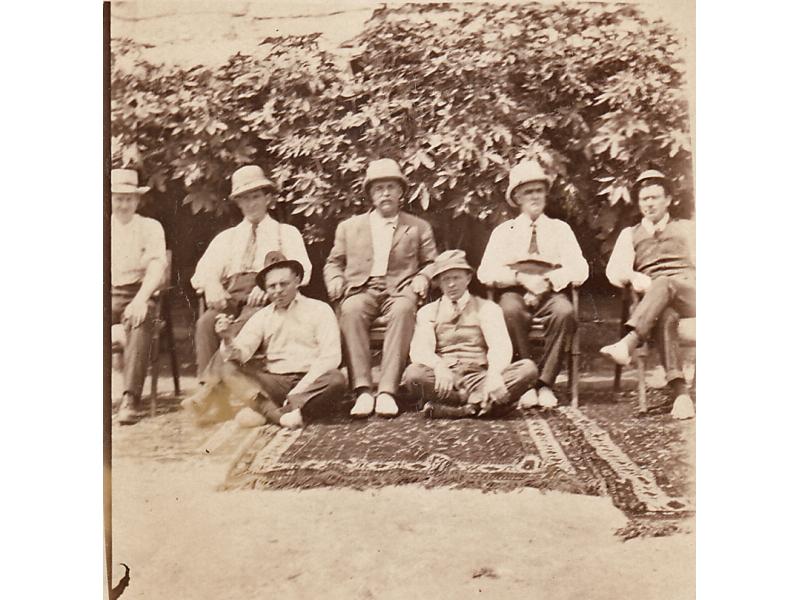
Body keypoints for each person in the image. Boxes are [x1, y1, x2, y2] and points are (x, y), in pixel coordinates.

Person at [324, 158, 439, 419]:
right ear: (371, 195)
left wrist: (424, 276)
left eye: (390, 187)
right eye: (378, 188)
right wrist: (334, 278)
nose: (385, 193)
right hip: (361, 289)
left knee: (403, 309)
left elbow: (432, 262)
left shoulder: (418, 227)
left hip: (401, 288)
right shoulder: (349, 227)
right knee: (350, 309)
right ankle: (363, 390)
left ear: (400, 192)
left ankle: (387, 391)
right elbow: (334, 262)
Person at [183, 251, 346, 429]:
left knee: (336, 379)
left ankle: (268, 411)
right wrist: (228, 338)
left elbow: (331, 358)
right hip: (276, 382)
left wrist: (299, 390)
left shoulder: (319, 309)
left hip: (313, 381)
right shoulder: (262, 316)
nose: (278, 291)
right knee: (228, 368)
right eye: (272, 286)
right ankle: (283, 416)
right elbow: (241, 354)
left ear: (297, 281)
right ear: (266, 289)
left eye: (283, 284)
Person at [477, 159, 588, 409]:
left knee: (565, 312)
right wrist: (520, 279)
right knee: (509, 311)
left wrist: (547, 281)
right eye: (528, 191)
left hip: (550, 290)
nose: (535, 196)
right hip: (515, 290)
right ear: (517, 197)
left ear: (546, 194)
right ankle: (525, 381)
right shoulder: (505, 231)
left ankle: (544, 384)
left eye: (539, 190)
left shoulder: (560, 229)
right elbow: (485, 272)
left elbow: (580, 268)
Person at [191, 165, 312, 374]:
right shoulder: (228, 237)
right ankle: (212, 390)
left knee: (241, 327)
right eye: (244, 199)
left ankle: (209, 392)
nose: (251, 204)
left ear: (268, 198)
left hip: (266, 301)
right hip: (230, 296)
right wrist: (212, 285)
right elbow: (201, 274)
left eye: (255, 196)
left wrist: (270, 286)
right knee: (206, 323)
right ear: (238, 203)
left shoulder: (286, 233)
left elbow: (304, 272)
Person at [601, 170, 696, 419]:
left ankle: (629, 342)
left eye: (655, 197)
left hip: (692, 296)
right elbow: (614, 271)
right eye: (644, 199)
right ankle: (681, 394)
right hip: (655, 303)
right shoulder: (629, 234)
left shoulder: (687, 229)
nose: (650, 203)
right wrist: (633, 277)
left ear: (668, 200)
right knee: (665, 317)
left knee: (664, 282)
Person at [401, 250, 538, 418]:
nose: (451, 284)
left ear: (468, 278)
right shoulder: (428, 312)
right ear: (438, 283)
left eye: (456, 277)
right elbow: (420, 350)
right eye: (445, 279)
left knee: (527, 370)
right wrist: (439, 366)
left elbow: (500, 347)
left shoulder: (487, 308)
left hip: (480, 377)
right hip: (447, 380)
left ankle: (452, 409)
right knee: (413, 375)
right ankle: (479, 405)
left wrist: (494, 375)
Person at [110, 168, 167, 425]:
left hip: (138, 290)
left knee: (140, 321)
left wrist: (141, 299)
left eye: (129, 198)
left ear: (138, 200)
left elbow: (157, 268)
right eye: (118, 198)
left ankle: (130, 398)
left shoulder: (150, 227)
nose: (124, 204)